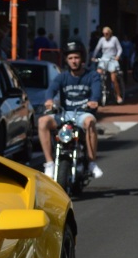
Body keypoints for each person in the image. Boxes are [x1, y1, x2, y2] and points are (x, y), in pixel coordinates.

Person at [38, 41, 103, 180]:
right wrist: (49, 100)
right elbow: (51, 89)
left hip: (82, 113)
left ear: (82, 59)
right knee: (42, 121)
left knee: (91, 121)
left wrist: (94, 101)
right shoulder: (62, 77)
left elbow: (97, 90)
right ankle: (49, 163)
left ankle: (92, 162)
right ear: (67, 60)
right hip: (64, 113)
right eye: (71, 58)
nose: (74, 61)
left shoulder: (92, 76)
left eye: (77, 58)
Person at [91, 26, 124, 104]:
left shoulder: (114, 39)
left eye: (107, 33)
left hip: (112, 59)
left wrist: (117, 56)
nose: (105, 35)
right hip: (104, 58)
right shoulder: (102, 40)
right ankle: (97, 94)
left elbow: (119, 49)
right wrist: (93, 57)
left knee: (113, 78)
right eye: (104, 33)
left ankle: (118, 95)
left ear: (110, 33)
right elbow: (97, 48)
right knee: (98, 74)